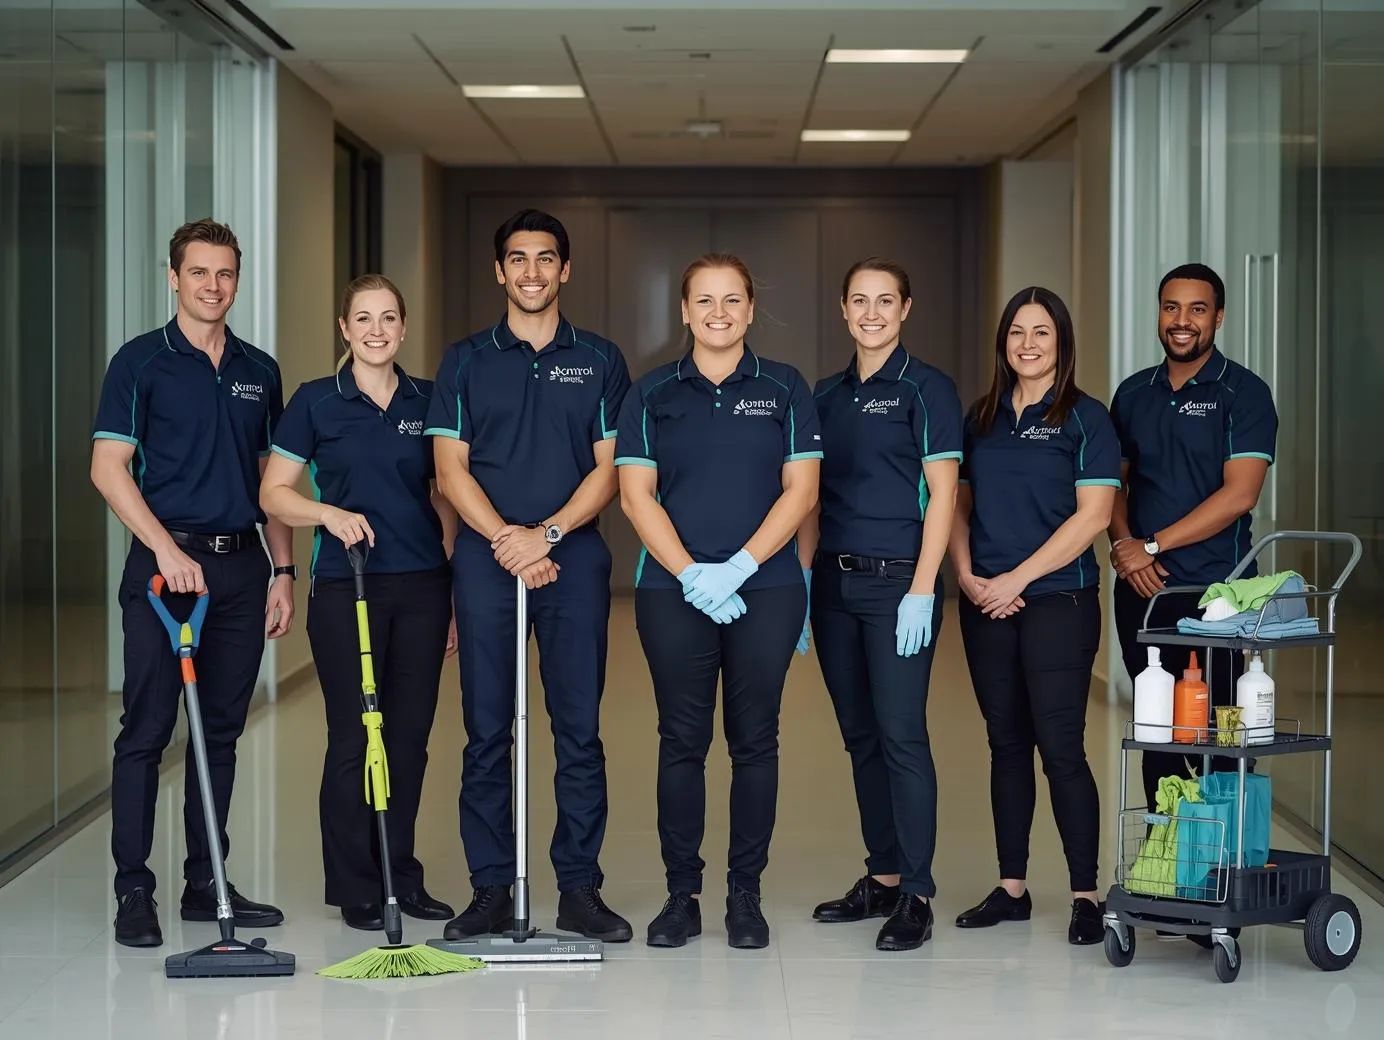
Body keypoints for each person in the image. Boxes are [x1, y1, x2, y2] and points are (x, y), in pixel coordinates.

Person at [425, 209, 633, 943]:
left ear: (565, 270)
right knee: (486, 730)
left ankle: (579, 887)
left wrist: (543, 535)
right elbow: (449, 469)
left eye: (546, 259)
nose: (533, 272)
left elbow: (612, 472)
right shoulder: (465, 360)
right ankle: (489, 887)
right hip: (485, 561)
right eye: (519, 259)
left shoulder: (601, 358)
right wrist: (506, 541)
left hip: (572, 558)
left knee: (577, 729)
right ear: (499, 271)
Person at [90, 218, 295, 948]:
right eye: (199, 273)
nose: (213, 286)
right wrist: (163, 550)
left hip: (241, 569)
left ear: (237, 280)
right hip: (163, 568)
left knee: (219, 734)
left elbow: (276, 484)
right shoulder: (140, 362)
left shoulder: (258, 370)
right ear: (173, 277)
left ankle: (205, 880)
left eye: (225, 274)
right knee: (146, 731)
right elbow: (108, 468)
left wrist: (284, 571)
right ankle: (132, 889)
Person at [616, 253, 821, 951]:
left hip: (764, 589)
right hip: (671, 592)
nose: (718, 312)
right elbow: (635, 495)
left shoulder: (787, 388)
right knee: (682, 740)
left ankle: (745, 894)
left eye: (732, 299)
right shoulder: (649, 395)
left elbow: (802, 491)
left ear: (751, 308)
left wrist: (738, 565)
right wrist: (689, 572)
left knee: (755, 740)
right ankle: (682, 895)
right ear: (684, 310)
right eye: (704, 300)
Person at [260, 274, 458, 931]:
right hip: (347, 588)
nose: (376, 329)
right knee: (355, 737)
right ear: (344, 329)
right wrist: (328, 513)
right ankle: (354, 885)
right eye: (363, 318)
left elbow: (444, 496)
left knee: (408, 740)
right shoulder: (316, 402)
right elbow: (274, 492)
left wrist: (454, 588)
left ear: (403, 329)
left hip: (423, 587)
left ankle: (399, 875)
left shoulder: (430, 400)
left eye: (388, 318)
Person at [948, 287, 1121, 946]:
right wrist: (966, 576)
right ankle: (1012, 887)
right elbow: (959, 506)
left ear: (1061, 342)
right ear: (1004, 343)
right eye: (1017, 333)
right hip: (986, 602)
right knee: (1005, 744)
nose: (1027, 344)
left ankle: (1085, 893)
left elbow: (1095, 517)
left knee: (1062, 747)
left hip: (1059, 601)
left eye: (1040, 333)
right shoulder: (981, 416)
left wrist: (1018, 577)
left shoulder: (1086, 418)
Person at [798, 258, 960, 952]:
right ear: (843, 309)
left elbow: (944, 495)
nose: (871, 312)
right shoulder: (823, 395)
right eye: (859, 300)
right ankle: (884, 876)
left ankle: (918, 894)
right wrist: (804, 584)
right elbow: (807, 495)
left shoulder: (927, 390)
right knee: (861, 737)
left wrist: (923, 588)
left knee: (901, 737)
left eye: (884, 300)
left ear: (906, 307)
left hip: (900, 585)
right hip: (835, 585)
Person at [1109, 264, 1277, 810]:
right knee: (1156, 732)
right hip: (1143, 591)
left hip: (1218, 595)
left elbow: (1240, 495)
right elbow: (1111, 483)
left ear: (1218, 317)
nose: (1182, 322)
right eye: (1171, 308)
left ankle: (1224, 868)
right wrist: (1125, 549)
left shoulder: (1244, 393)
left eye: (1197, 309)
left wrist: (1152, 544)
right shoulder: (1134, 393)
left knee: (1220, 737)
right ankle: (1167, 865)